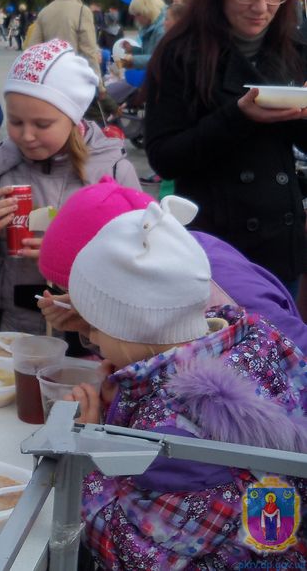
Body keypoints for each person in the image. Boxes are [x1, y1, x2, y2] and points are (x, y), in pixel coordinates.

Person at [65, 197, 307, 569]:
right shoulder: (250, 337)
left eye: (94, 327)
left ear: (136, 329)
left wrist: (90, 445)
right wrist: (122, 407)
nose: (93, 341)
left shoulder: (176, 436)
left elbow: (135, 555)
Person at [145, 0, 307, 294]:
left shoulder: (294, 50)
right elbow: (164, 157)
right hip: (214, 248)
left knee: (280, 349)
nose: (262, 7)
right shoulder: (180, 55)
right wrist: (238, 117)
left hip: (280, 246)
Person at [0, 40, 140, 335]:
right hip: (3, 334)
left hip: (85, 339)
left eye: (43, 124)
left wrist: (67, 257)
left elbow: (138, 271)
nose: (27, 135)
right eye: (16, 121)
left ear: (73, 118)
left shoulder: (111, 172)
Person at [36, 176, 307, 352]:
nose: (68, 296)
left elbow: (296, 351)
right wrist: (91, 325)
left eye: (74, 286)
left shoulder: (219, 287)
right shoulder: (161, 277)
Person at [25, 0, 103, 91]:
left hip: (48, 77)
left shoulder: (44, 12)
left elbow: (32, 49)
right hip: (74, 78)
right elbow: (89, 51)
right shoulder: (82, 11)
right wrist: (99, 85)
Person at [117, 0, 166, 70]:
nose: (136, 19)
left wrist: (132, 60)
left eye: (138, 14)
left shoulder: (162, 29)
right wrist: (133, 49)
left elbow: (159, 59)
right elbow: (149, 53)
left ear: (148, 11)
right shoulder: (151, 27)